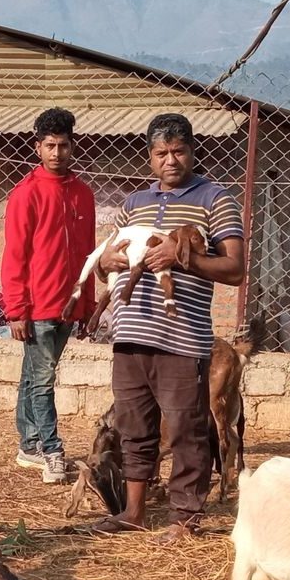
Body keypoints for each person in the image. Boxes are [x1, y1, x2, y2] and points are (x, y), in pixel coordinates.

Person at [88, 113, 245, 544]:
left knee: (185, 428)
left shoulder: (216, 199)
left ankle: (185, 517)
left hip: (182, 336)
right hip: (130, 334)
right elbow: (106, 262)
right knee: (133, 425)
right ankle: (133, 511)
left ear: (193, 151)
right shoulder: (133, 204)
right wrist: (106, 264)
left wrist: (185, 260)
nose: (170, 160)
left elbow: (234, 268)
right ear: (149, 157)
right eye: (161, 153)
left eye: (178, 151)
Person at [0, 107, 97, 484]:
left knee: (33, 376)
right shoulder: (26, 194)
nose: (57, 153)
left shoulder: (83, 194)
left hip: (69, 306)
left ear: (73, 147)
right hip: (36, 307)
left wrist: (87, 304)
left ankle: (29, 445)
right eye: (50, 146)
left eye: (64, 146)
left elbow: (89, 254)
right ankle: (52, 451)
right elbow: (15, 256)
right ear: (37, 147)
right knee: (42, 381)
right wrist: (16, 310)